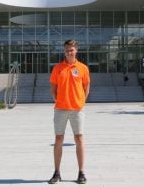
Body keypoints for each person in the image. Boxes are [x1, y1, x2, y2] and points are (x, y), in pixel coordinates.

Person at [48, 40, 91, 184]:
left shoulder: (83, 68)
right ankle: (57, 172)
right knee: (58, 140)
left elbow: (86, 87)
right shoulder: (57, 68)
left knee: (79, 139)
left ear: (76, 50)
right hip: (60, 109)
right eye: (67, 50)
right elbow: (53, 89)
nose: (69, 52)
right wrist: (59, 101)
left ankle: (81, 173)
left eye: (71, 50)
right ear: (64, 51)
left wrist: (81, 102)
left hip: (77, 110)